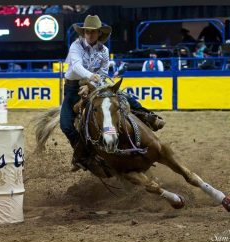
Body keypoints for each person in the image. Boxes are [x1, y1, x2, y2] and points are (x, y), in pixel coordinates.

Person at [60, 14, 166, 172]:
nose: (90, 34)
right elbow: (76, 66)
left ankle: (147, 116)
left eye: (93, 31)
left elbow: (102, 73)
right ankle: (83, 154)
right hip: (73, 87)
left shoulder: (104, 51)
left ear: (99, 33)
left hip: (94, 84)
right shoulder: (76, 46)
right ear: (83, 33)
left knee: (122, 96)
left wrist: (90, 84)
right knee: (66, 124)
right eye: (87, 32)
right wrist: (89, 77)